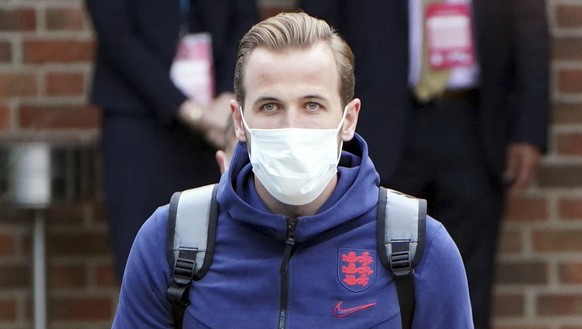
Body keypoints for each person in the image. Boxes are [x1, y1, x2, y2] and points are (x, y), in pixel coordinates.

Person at [111, 12, 473, 328]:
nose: (291, 125)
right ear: (239, 122)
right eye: (270, 106)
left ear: (348, 120)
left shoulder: (419, 247)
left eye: (312, 105)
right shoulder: (170, 241)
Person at [299, 1, 549, 328]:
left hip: (473, 122)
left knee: (469, 278)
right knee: (367, 275)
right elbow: (319, 24)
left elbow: (529, 24)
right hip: (378, 120)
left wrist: (528, 129)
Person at [84, 0, 258, 280]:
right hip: (138, 118)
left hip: (216, 121)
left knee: (218, 258)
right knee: (143, 262)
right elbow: (115, 30)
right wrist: (187, 109)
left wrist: (229, 94)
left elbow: (244, 19)